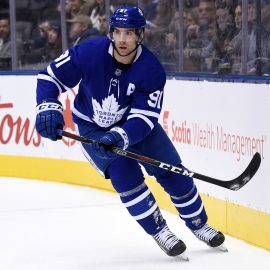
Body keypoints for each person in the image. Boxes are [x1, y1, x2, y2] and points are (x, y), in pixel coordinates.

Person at [35, 6, 226, 257]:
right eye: (118, 32)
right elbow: (50, 78)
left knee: (174, 172)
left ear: (141, 35)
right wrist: (48, 107)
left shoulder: (151, 69)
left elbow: (144, 118)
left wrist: (120, 136)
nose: (123, 40)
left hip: (137, 129)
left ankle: (199, 224)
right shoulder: (89, 52)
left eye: (130, 33)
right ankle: (160, 231)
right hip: (93, 128)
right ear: (111, 32)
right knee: (124, 175)